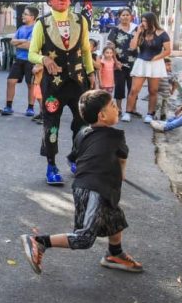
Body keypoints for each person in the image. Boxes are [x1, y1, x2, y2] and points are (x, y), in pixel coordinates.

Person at [19, 89, 143, 275]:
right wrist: (121, 173)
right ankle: (39, 242)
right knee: (84, 238)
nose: (117, 109)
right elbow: (122, 159)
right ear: (102, 116)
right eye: (113, 106)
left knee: (115, 219)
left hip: (89, 187)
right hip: (94, 189)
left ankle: (114, 254)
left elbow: (74, 157)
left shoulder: (82, 133)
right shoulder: (116, 136)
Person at [28, 0, 96, 186]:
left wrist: (91, 72)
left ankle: (75, 158)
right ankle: (51, 165)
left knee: (83, 123)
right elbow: (32, 53)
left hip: (78, 81)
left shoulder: (81, 20)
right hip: (53, 84)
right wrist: (44, 60)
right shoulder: (42, 23)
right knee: (52, 126)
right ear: (49, 1)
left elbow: (86, 50)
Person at [125, 12, 171, 124]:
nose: (143, 23)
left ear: (151, 21)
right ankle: (128, 112)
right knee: (134, 90)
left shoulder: (162, 33)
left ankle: (150, 114)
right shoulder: (140, 31)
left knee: (153, 90)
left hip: (155, 64)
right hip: (141, 63)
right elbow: (132, 47)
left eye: (145, 21)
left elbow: (168, 51)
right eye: (142, 20)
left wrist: (156, 58)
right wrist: (138, 32)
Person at [2, 5, 38, 117]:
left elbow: (30, 46)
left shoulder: (36, 29)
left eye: (25, 14)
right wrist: (23, 41)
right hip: (19, 60)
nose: (23, 16)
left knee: (31, 84)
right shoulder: (21, 28)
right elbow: (12, 42)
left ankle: (30, 108)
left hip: (30, 60)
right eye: (23, 14)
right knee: (10, 81)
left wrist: (19, 43)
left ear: (33, 17)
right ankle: (8, 106)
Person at [107, 8, 137, 120]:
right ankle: (119, 108)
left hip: (135, 63)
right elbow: (110, 46)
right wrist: (116, 61)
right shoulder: (115, 30)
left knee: (133, 87)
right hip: (119, 63)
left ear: (131, 17)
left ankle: (133, 108)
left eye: (127, 15)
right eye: (123, 15)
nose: (125, 17)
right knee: (119, 86)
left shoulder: (136, 29)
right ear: (119, 17)